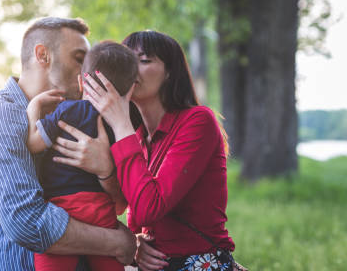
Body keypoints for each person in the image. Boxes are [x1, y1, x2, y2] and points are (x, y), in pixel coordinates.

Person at [54, 30, 245, 271]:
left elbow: (147, 208)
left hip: (199, 262)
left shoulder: (197, 121)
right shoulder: (134, 137)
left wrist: (120, 122)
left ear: (169, 73)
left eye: (144, 61)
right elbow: (117, 209)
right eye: (126, 60)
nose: (132, 68)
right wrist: (134, 242)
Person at [0, 17, 136, 271]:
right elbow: (28, 222)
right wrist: (117, 242)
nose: (89, 71)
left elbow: (118, 204)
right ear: (42, 55)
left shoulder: (80, 116)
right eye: (80, 59)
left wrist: (106, 171)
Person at [26, 40, 138, 271]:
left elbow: (34, 144)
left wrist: (33, 109)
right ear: (129, 91)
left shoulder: (68, 110)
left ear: (81, 81)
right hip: (102, 213)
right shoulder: (123, 125)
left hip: (64, 211)